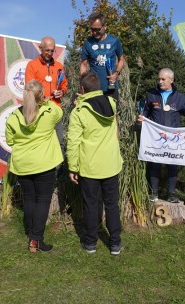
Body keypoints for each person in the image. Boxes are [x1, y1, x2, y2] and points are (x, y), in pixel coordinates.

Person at [67, 72, 124, 255]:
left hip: (90, 166)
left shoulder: (79, 111)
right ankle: (115, 243)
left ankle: (90, 243)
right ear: (99, 87)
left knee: (91, 205)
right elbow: (111, 98)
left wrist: (72, 167)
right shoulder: (112, 104)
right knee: (112, 204)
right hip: (111, 164)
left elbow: (73, 142)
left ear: (82, 89)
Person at [5, 80, 63, 253]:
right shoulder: (49, 111)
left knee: (29, 199)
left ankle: (31, 231)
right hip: (44, 164)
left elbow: (10, 140)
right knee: (42, 201)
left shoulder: (14, 116)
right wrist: (46, 100)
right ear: (41, 96)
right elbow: (60, 112)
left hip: (22, 164)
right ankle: (36, 239)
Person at [137, 68, 185, 203]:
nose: (160, 82)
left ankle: (171, 194)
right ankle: (154, 193)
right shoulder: (151, 95)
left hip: (173, 138)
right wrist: (141, 119)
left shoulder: (180, 98)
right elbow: (144, 114)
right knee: (154, 165)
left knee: (172, 165)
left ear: (171, 80)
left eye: (163, 79)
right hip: (155, 137)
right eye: (159, 79)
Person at [25, 36, 67, 144]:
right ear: (40, 48)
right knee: (40, 143)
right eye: (47, 50)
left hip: (56, 110)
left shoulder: (59, 66)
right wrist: (42, 98)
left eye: (52, 51)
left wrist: (61, 92)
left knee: (58, 142)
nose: (50, 53)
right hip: (38, 110)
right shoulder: (32, 65)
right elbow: (29, 87)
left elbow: (64, 85)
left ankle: (59, 161)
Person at [80, 12, 126, 102]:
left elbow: (121, 59)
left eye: (97, 29)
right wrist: (83, 82)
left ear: (105, 26)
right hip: (94, 89)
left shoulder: (114, 41)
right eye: (92, 29)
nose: (94, 32)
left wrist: (116, 73)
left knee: (112, 115)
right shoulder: (87, 43)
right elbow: (83, 65)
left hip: (111, 87)